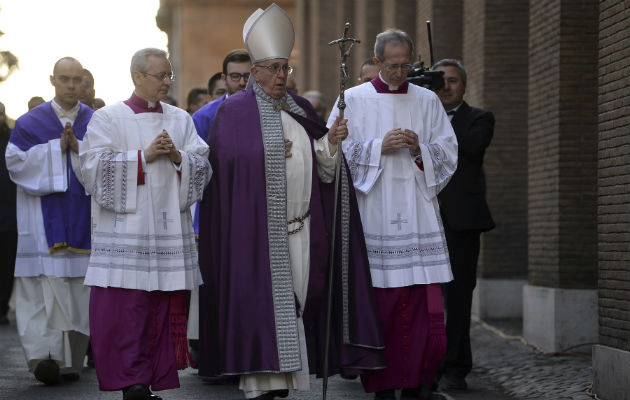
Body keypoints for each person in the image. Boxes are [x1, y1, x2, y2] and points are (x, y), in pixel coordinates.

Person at [197, 4, 385, 399]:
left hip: (302, 228)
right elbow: (224, 167)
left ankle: (284, 381)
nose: (283, 75)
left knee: (297, 305)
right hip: (255, 237)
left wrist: (331, 143)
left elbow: (325, 170)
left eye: (287, 68)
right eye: (275, 68)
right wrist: (262, 153)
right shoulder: (233, 112)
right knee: (261, 309)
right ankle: (260, 384)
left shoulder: (300, 110)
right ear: (255, 72)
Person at [328, 29, 458, 400]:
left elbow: (449, 153)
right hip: (375, 215)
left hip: (417, 213)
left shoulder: (427, 100)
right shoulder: (351, 99)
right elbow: (331, 154)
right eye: (393, 65)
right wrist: (376, 148)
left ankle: (417, 382)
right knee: (382, 304)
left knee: (421, 304)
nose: (400, 72)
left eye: (405, 65)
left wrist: (421, 151)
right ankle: (382, 384)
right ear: (378, 61)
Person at [79, 48, 212, 400]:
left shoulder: (181, 119)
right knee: (127, 310)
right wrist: (144, 156)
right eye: (161, 76)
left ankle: (153, 378)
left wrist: (177, 156)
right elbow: (91, 171)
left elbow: (203, 165)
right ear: (138, 76)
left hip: (168, 231)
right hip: (127, 234)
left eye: (170, 75)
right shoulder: (107, 119)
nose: (168, 82)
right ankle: (132, 381)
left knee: (161, 307)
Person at [5, 57, 93, 385]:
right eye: (65, 79)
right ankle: (44, 357)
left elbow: (107, 167)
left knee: (76, 291)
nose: (71, 85)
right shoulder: (30, 123)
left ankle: (70, 362)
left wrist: (79, 149)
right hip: (41, 227)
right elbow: (15, 165)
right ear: (52, 80)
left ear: (84, 81)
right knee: (40, 290)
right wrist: (57, 151)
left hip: (84, 224)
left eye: (77, 79)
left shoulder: (95, 122)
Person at [432, 58, 495, 391]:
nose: (445, 86)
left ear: (464, 85)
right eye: (439, 80)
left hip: (461, 222)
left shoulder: (479, 119)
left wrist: (436, 118)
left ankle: (457, 366)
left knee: (457, 299)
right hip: (424, 218)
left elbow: (471, 148)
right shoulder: (422, 115)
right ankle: (425, 362)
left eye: (452, 81)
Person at [0, 101, 17, 326]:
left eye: (1, 114)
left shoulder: (13, 140)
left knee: (6, 267)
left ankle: (2, 308)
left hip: (9, 219)